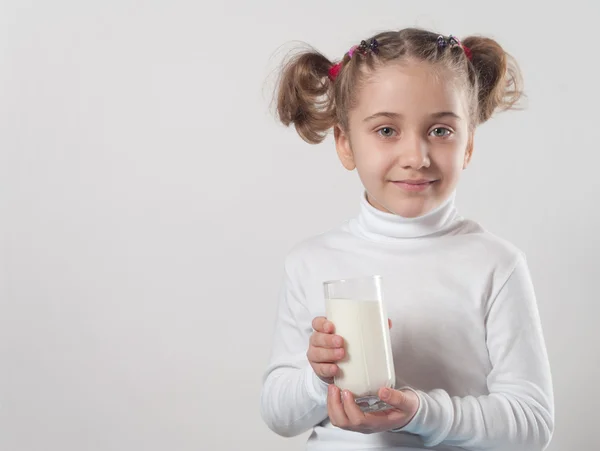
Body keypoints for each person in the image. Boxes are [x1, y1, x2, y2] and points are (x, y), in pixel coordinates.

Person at [259, 27, 554, 451]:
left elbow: (532, 424)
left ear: (468, 143)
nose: (416, 157)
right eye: (386, 131)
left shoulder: (496, 265)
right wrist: (316, 379)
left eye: (440, 131)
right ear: (345, 144)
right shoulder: (310, 262)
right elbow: (278, 415)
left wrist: (421, 413)